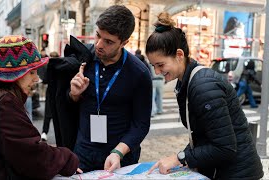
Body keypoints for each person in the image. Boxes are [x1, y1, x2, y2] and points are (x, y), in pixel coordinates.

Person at [145, 12, 263, 179]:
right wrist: (181, 156)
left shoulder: (202, 86)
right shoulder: (188, 81)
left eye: (160, 64)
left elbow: (225, 147)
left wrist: (180, 158)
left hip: (237, 174)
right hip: (226, 171)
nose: (156, 71)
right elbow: (203, 136)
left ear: (179, 55)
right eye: (153, 65)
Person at [0, 35, 79, 179]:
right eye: (32, 72)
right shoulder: (4, 102)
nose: (36, 79)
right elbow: (33, 156)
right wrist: (69, 159)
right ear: (15, 74)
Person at [69, 5, 152, 173]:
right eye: (98, 35)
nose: (99, 45)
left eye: (108, 42)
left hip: (120, 157)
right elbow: (67, 104)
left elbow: (141, 124)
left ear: (124, 42)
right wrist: (74, 94)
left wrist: (118, 152)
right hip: (83, 151)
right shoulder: (84, 58)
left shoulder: (139, 73)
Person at [41, 51, 60, 141]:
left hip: (50, 92)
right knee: (58, 114)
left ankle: (44, 132)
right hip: (59, 92)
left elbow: (45, 80)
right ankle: (59, 134)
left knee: (48, 114)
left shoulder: (48, 67)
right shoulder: (62, 67)